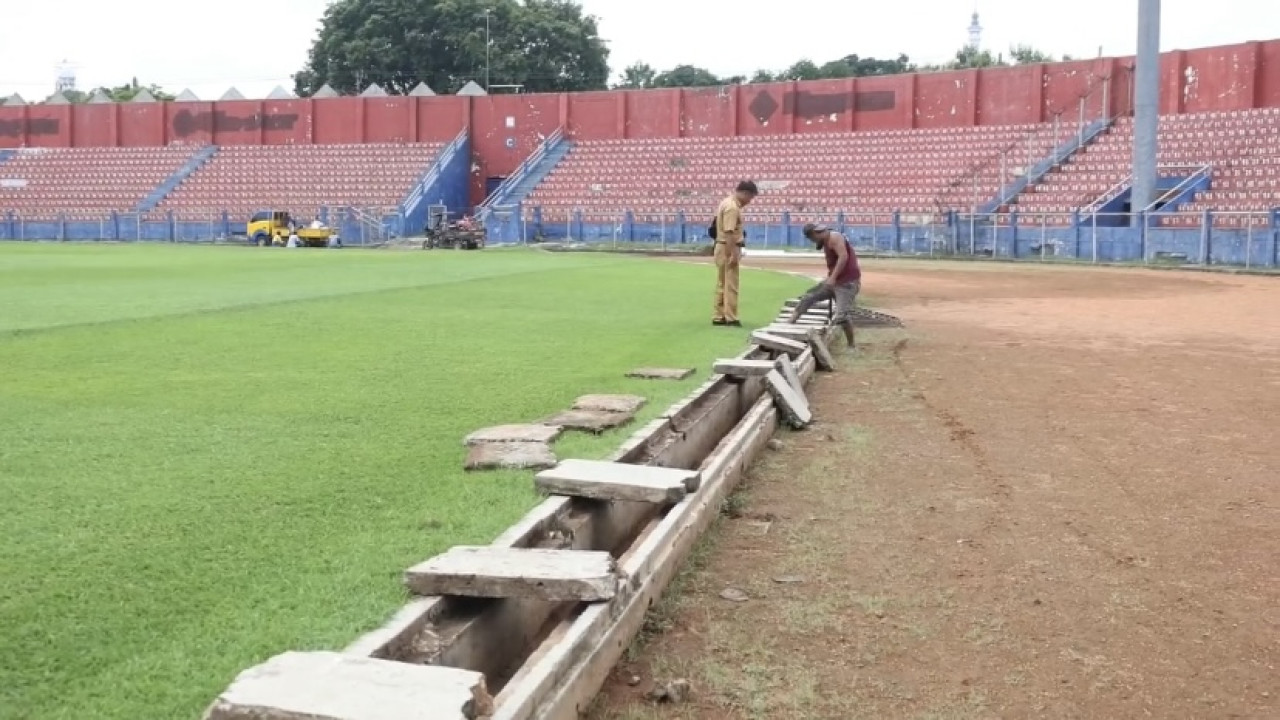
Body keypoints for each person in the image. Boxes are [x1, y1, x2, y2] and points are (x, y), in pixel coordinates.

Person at [789, 223, 861, 349]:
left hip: (847, 283)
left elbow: (843, 257)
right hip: (834, 281)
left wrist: (832, 278)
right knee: (809, 296)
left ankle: (851, 345)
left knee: (841, 316)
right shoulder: (824, 239)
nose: (813, 242)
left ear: (815, 234)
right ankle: (790, 322)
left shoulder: (834, 237)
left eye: (812, 239)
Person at [712, 180, 758, 327]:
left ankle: (719, 315)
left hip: (721, 245)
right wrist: (732, 254)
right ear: (745, 193)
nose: (749, 201)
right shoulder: (732, 207)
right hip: (727, 246)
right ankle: (731, 317)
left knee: (722, 282)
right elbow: (729, 232)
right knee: (731, 284)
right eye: (750, 198)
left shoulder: (726, 202)